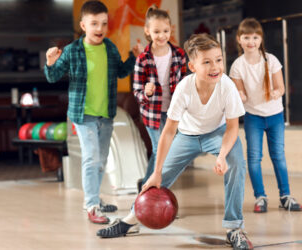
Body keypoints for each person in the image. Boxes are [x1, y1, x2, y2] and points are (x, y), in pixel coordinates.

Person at [97, 33, 253, 250]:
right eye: (206, 62)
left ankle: (234, 228)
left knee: (236, 163)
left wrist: (222, 155)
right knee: (156, 179)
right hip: (186, 136)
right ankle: (131, 221)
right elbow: (169, 131)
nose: (215, 66)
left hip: (218, 134)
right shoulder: (184, 88)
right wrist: (158, 170)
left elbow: (233, 127)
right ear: (192, 66)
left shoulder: (227, 87)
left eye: (218, 60)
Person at [44, 0, 143, 224]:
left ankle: (94, 198)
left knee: (101, 159)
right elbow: (52, 77)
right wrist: (50, 63)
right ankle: (92, 205)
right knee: (91, 157)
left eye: (104, 23)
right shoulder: (72, 50)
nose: (100, 28)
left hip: (105, 114)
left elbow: (120, 72)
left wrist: (133, 57)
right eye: (94, 23)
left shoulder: (109, 47)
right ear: (83, 25)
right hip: (82, 114)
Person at [229, 18, 302, 213]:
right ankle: (260, 197)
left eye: (255, 37)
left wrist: (277, 93)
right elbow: (240, 93)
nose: (251, 41)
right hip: (253, 117)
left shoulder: (271, 60)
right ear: (239, 39)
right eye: (246, 37)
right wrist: (241, 96)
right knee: (254, 158)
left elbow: (282, 87)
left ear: (260, 39)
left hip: (275, 116)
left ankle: (285, 196)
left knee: (278, 155)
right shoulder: (237, 66)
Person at [133, 6, 186, 190]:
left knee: (167, 153)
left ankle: (147, 186)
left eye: (165, 31)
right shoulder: (143, 59)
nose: (162, 35)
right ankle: (153, 192)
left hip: (174, 113)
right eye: (156, 31)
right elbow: (137, 93)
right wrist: (147, 93)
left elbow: (187, 83)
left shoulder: (179, 55)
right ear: (147, 31)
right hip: (152, 114)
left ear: (171, 29)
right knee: (160, 151)